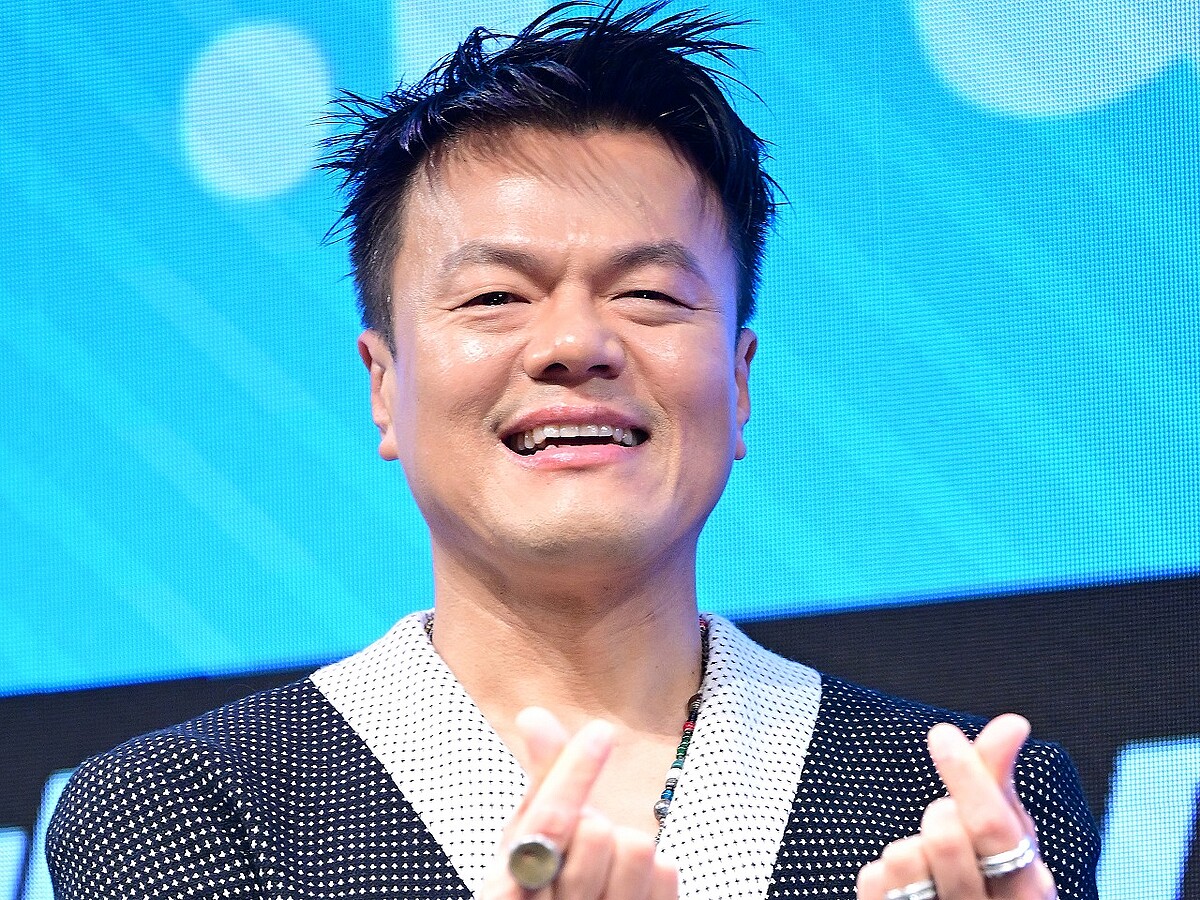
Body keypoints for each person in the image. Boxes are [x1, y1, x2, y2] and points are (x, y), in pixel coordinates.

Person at [46, 4, 1100, 899]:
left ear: (738, 382)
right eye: (494, 297)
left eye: (648, 295)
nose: (575, 344)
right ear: (385, 385)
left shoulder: (963, 807)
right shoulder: (188, 808)